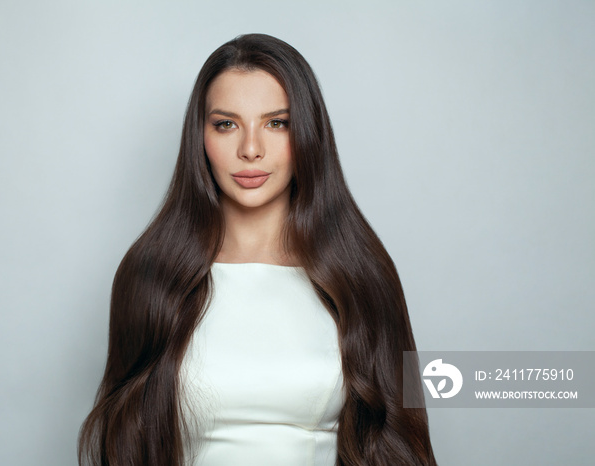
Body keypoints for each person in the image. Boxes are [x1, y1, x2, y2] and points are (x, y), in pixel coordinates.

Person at [79, 33, 436, 466]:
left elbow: (400, 439)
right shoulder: (150, 273)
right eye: (226, 124)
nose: (250, 149)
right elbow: (126, 443)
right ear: (200, 137)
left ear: (307, 134)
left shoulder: (363, 273)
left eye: (277, 123)